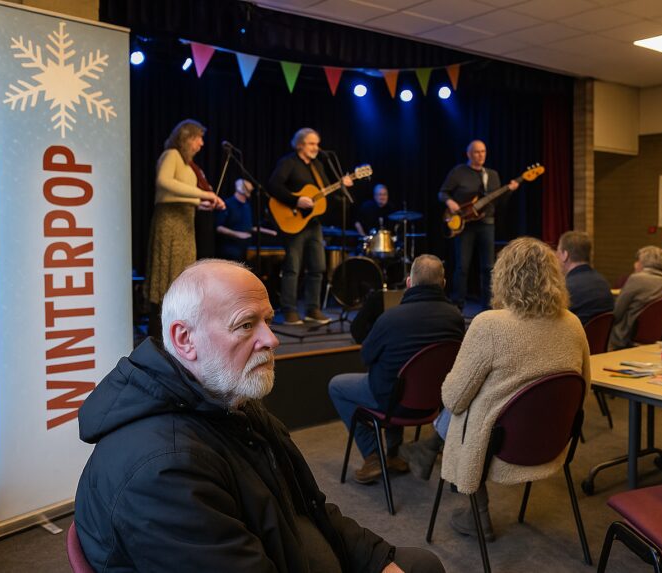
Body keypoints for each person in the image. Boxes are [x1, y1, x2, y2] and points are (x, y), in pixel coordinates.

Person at [75, 259, 445, 573]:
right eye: (246, 324)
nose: (272, 339)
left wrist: (379, 562)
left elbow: (309, 506)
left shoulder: (231, 401)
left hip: (290, 548)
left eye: (267, 320)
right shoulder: (162, 470)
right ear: (185, 340)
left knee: (420, 564)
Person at [406, 238, 590, 541]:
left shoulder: (489, 325)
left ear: (503, 276)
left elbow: (452, 397)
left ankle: (476, 512)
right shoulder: (573, 324)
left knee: (466, 407)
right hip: (551, 442)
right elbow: (584, 389)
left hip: (497, 451)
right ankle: (428, 453)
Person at [329, 255, 465, 484]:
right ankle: (393, 454)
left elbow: (366, 357)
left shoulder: (390, 318)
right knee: (400, 378)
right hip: (432, 404)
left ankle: (373, 456)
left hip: (392, 402)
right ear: (443, 284)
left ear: (409, 282)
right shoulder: (456, 317)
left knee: (337, 386)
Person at [143, 119, 225, 337]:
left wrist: (201, 203)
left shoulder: (188, 165)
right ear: (187, 138)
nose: (201, 144)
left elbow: (181, 193)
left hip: (184, 222)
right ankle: (158, 333)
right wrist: (204, 194)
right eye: (198, 138)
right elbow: (164, 183)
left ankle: (175, 330)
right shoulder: (171, 155)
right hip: (170, 221)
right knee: (166, 271)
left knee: (181, 273)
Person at [268, 128, 353, 326]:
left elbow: (324, 194)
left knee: (317, 267)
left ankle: (313, 309)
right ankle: (289, 310)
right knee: (293, 268)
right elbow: (273, 185)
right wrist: (295, 200)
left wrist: (341, 186)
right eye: (312, 143)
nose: (316, 147)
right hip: (292, 222)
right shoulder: (289, 163)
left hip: (313, 224)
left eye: (317, 143)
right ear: (300, 145)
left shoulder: (318, 166)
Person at [439, 140, 518, 310]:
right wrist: (450, 202)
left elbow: (499, 203)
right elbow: (442, 193)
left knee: (488, 266)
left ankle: (489, 306)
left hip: (487, 223)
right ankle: (458, 305)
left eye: (483, 151)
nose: (480, 155)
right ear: (469, 154)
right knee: (462, 266)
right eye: (476, 152)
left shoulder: (492, 174)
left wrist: (510, 190)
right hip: (464, 224)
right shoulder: (459, 172)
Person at [608, 245, 662, 350]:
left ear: (644, 263)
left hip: (627, 333)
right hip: (653, 332)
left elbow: (617, 312)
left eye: (638, 260)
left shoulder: (637, 279)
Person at [556, 230, 614, 324]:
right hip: (598, 338)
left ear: (565, 255)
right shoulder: (604, 283)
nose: (556, 255)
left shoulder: (565, 288)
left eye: (558, 251)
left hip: (574, 338)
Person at [214, 178, 277, 262]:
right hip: (231, 245)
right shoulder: (227, 204)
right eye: (248, 189)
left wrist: (270, 232)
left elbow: (250, 227)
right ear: (241, 189)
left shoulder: (247, 205)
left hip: (246, 245)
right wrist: (237, 234)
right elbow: (219, 227)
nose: (251, 191)